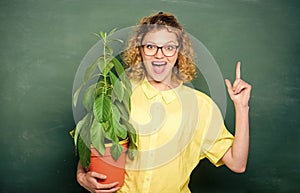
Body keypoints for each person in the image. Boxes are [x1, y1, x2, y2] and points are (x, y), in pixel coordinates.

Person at [76, 12, 252, 193]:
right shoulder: (122, 91)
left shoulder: (201, 106)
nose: (159, 55)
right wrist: (82, 176)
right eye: (151, 46)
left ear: (179, 52)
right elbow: (95, 140)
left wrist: (242, 107)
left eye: (169, 47)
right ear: (140, 50)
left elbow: (237, 163)